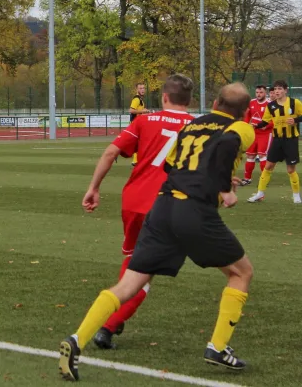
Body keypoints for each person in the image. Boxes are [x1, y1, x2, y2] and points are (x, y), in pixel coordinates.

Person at [59, 82, 255, 381]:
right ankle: (217, 348)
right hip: (195, 211)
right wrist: (225, 188)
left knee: (128, 284)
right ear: (246, 110)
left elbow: (175, 165)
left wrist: (217, 177)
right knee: (241, 273)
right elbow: (226, 147)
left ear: (215, 102)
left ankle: (77, 339)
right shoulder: (241, 129)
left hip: (162, 207)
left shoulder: (194, 125)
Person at [82, 74, 194, 350]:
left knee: (133, 260)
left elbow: (110, 153)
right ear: (189, 100)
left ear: (164, 97)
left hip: (133, 201)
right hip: (169, 205)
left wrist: (94, 187)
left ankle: (114, 317)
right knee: (145, 273)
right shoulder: (199, 126)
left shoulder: (145, 120)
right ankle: (108, 326)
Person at [248, 80, 302, 203]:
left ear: (285, 90)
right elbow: (265, 122)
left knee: (290, 169)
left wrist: (296, 120)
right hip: (277, 140)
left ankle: (296, 195)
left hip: (291, 140)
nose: (277, 91)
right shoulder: (271, 106)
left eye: (280, 89)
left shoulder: (295, 103)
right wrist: (254, 125)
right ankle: (259, 193)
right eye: (275, 89)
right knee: (268, 166)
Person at [240, 85, 272, 186]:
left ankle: (264, 179)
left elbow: (274, 119)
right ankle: (247, 178)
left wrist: (266, 126)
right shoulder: (252, 102)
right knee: (250, 155)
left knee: (262, 155)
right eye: (257, 92)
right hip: (253, 133)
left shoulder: (270, 104)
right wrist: (246, 125)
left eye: (261, 92)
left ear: (265, 93)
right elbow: (247, 116)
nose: (258, 94)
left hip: (265, 134)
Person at [129, 83, 149, 166]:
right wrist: (142, 111)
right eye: (140, 88)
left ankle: (135, 160)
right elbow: (131, 110)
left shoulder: (140, 100)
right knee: (139, 142)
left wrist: (145, 112)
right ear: (137, 90)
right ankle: (135, 160)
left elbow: (139, 111)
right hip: (135, 123)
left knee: (139, 142)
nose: (143, 90)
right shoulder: (136, 99)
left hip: (138, 123)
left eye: (143, 88)